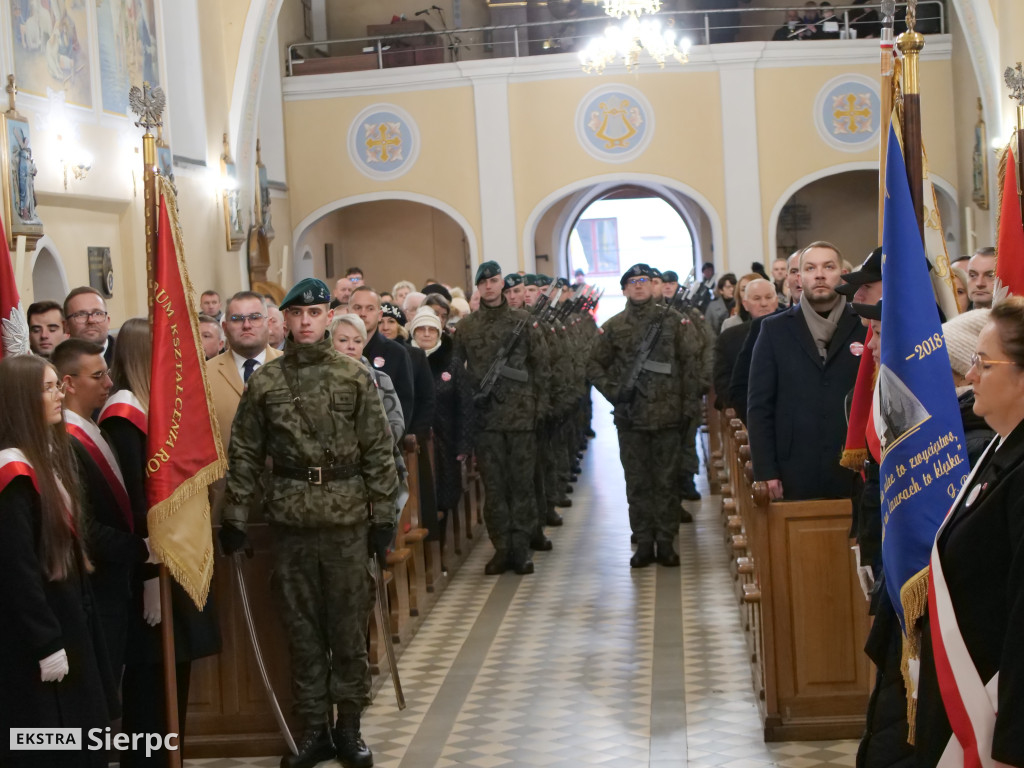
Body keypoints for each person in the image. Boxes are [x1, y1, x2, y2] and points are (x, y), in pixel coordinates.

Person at [220, 278, 397, 768]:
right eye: (296, 314)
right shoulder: (267, 382)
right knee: (301, 631)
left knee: (347, 632)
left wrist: (384, 519)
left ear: (327, 317)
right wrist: (234, 516)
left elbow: (380, 453)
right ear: (285, 319)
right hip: (293, 522)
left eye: (314, 314)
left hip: (346, 522)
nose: (304, 322)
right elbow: (246, 454)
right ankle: (314, 730)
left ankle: (350, 730)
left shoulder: (353, 375)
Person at [99, 318, 221, 768]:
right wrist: (150, 575)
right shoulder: (125, 416)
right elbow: (135, 502)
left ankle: (172, 759)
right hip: (148, 572)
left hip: (172, 565)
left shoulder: (158, 409)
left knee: (175, 677)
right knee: (151, 693)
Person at [915, 298, 1024, 766]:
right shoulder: (1000, 452)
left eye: (983, 361)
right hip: (968, 691)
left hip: (998, 707)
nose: (970, 373)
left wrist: (1013, 745)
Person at [0, 354, 119, 768]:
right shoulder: (12, 471)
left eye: (57, 386)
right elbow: (17, 569)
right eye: (48, 388)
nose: (58, 395)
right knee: (51, 743)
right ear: (20, 398)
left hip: (71, 615)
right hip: (41, 631)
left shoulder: (46, 455)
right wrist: (46, 640)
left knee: (83, 739)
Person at [587, 263, 703, 568]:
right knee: (637, 483)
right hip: (631, 418)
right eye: (632, 282)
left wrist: (690, 410)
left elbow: (691, 366)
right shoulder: (613, 327)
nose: (638, 286)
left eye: (642, 281)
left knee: (666, 482)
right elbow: (592, 365)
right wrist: (614, 392)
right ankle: (644, 540)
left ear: (651, 286)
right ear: (624, 289)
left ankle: (665, 542)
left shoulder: (674, 322)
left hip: (669, 417)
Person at [53, 339, 152, 679]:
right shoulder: (65, 441)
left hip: (113, 585)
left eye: (107, 374)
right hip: (94, 588)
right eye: (98, 376)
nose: (109, 384)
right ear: (68, 384)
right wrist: (143, 548)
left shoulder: (94, 430)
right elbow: (85, 527)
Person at [747, 242, 865, 501]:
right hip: (794, 469)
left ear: (842, 274)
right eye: (810, 268)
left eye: (828, 266)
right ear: (799, 278)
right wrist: (766, 470)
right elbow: (759, 407)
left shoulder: (866, 325)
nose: (819, 274)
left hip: (856, 469)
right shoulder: (774, 330)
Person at [454, 261, 550, 575]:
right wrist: (471, 399)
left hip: (522, 419)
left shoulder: (523, 321)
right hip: (487, 421)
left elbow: (541, 367)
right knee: (495, 488)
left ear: (502, 285)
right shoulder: (467, 327)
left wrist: (540, 409)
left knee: (521, 486)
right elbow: (457, 371)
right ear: (478, 288)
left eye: (495, 281)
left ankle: (521, 548)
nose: (490, 287)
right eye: (484, 283)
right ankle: (502, 548)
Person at [410, 306, 472, 570]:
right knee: (419, 496)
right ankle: (420, 558)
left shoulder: (452, 363)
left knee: (444, 496)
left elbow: (464, 406)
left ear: (439, 332)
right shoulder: (407, 359)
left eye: (431, 329)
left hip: (446, 441)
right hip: (416, 442)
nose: (426, 334)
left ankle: (439, 552)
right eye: (421, 329)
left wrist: (464, 444)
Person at [350, 286, 416, 432]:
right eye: (357, 307)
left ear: (379, 315)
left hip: (383, 442)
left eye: (370, 308)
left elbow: (404, 403)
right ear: (348, 311)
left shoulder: (397, 353)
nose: (363, 313)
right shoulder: (335, 350)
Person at [713, 278, 777, 412]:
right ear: (745, 304)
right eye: (757, 298)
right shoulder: (729, 338)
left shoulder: (792, 331)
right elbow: (723, 384)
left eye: (769, 297)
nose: (764, 303)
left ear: (776, 301)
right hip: (745, 412)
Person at [64, 286, 115, 366]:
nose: (91, 320)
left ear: (108, 321)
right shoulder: (56, 365)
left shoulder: (129, 357)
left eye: (98, 313)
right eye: (81, 314)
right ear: (66, 326)